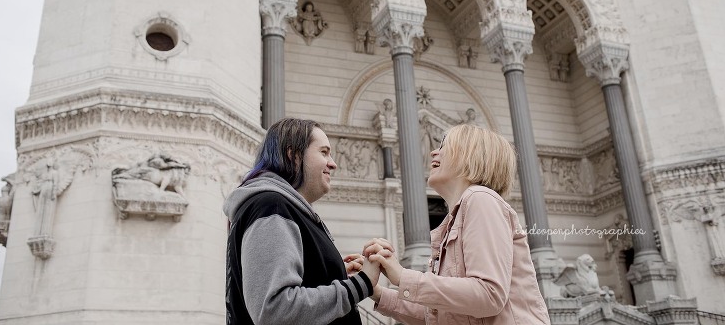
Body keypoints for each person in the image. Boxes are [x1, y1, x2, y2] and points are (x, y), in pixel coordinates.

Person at [364, 123, 550, 325]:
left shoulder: (480, 198)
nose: (434, 152)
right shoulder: (459, 215)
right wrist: (376, 291)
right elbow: (439, 314)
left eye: (444, 146)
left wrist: (401, 276)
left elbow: (488, 295)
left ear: (470, 154)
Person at [224, 117, 380, 325]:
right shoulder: (271, 206)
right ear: (293, 155)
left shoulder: (278, 208)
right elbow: (274, 309)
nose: (333, 164)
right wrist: (362, 283)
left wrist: (328, 272)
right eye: (324, 152)